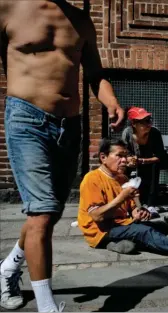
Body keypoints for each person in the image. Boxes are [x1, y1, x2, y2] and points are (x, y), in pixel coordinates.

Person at [0, 1, 125, 311]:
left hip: (69, 126)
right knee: (41, 214)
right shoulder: (9, 7)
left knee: (51, 213)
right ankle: (47, 307)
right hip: (26, 119)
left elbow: (96, 74)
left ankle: (7, 269)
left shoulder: (82, 20)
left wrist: (112, 102)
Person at [77, 138, 168, 260]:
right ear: (103, 157)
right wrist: (122, 197)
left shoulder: (123, 178)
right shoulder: (92, 179)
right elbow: (97, 217)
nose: (124, 160)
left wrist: (139, 212)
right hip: (100, 231)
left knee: (161, 227)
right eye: (119, 156)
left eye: (125, 155)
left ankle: (117, 243)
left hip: (121, 223)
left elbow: (132, 208)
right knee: (144, 232)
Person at [122, 107, 168, 213]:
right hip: (134, 162)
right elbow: (125, 152)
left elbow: (159, 157)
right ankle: (128, 201)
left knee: (154, 167)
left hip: (151, 162)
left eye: (149, 120)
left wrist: (141, 161)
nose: (148, 124)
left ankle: (151, 204)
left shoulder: (155, 133)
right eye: (144, 121)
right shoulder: (127, 133)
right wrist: (130, 159)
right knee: (123, 166)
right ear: (134, 124)